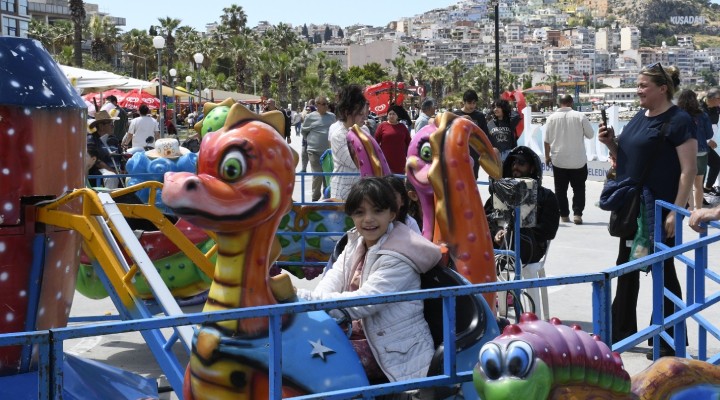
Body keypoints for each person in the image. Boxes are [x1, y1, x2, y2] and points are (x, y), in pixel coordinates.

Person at [296, 177, 440, 382]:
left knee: (311, 363)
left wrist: (301, 296)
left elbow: (364, 301)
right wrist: (305, 300)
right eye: (360, 212)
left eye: (377, 211)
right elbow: (332, 280)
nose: (368, 219)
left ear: (392, 213)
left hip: (392, 349)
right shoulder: (356, 241)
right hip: (356, 334)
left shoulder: (400, 255)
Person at [598, 63, 696, 357]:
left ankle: (667, 337)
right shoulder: (640, 116)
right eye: (638, 85)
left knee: (663, 271)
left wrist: (675, 212)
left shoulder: (679, 121)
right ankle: (618, 331)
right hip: (633, 209)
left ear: (662, 89)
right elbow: (628, 160)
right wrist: (611, 144)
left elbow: (688, 171)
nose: (638, 91)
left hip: (660, 211)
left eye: (643, 86)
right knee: (626, 266)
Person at [485, 146, 560, 264]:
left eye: (521, 163)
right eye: (513, 162)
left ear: (532, 168)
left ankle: (496, 271)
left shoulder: (546, 196)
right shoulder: (501, 191)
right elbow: (486, 217)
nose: (515, 166)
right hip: (498, 244)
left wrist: (513, 232)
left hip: (530, 248)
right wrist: (497, 231)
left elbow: (548, 230)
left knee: (519, 231)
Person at [543, 94, 594, 225]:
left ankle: (564, 215)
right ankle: (577, 214)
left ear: (559, 103)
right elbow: (591, 135)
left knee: (560, 189)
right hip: (578, 160)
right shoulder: (580, 116)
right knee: (579, 188)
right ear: (571, 102)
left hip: (558, 159)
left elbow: (546, 141)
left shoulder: (551, 118)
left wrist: (547, 156)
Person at [677, 89, 713, 211]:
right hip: (701, 151)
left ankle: (690, 211)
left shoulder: (678, 115)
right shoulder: (703, 115)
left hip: (684, 152)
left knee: (687, 184)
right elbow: (709, 134)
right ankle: (698, 211)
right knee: (698, 185)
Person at [329, 85, 367, 200]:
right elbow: (357, 163)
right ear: (346, 113)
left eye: (364, 113)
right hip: (343, 194)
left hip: (362, 191)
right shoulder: (339, 136)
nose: (364, 117)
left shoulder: (364, 130)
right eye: (360, 114)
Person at [301, 96, 336, 201]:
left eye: (327, 104)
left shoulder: (332, 117)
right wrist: (312, 141)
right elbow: (304, 131)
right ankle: (315, 199)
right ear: (317, 105)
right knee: (318, 175)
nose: (326, 106)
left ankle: (327, 198)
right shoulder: (310, 117)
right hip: (314, 151)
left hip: (328, 153)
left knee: (327, 176)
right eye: (324, 104)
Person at [454, 89, 490, 180]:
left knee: (473, 180)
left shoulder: (480, 116)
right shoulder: (455, 115)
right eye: (470, 103)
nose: (472, 105)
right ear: (464, 102)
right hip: (458, 153)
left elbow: (485, 135)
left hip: (474, 153)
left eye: (474, 103)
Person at [374, 105, 412, 175]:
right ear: (387, 115)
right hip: (385, 160)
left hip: (399, 161)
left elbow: (409, 143)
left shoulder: (402, 127)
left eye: (394, 114)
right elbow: (375, 142)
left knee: (399, 183)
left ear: (397, 116)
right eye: (390, 114)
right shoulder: (382, 126)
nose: (391, 116)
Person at [701, 88, 720, 194]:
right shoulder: (700, 109)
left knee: (715, 164)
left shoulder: (716, 107)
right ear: (711, 98)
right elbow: (696, 127)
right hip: (702, 143)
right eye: (719, 99)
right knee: (704, 168)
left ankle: (707, 188)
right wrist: (708, 141)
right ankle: (703, 192)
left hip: (708, 142)